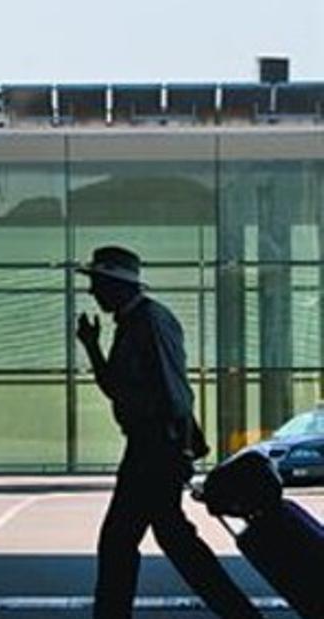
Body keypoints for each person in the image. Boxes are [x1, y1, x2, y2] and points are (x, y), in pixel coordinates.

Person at [75, 246, 260, 619]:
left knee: (121, 541)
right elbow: (118, 387)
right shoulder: (134, 323)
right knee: (171, 539)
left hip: (154, 448)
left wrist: (178, 448)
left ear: (117, 286)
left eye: (97, 283)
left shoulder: (150, 323)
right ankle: (239, 613)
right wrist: (93, 347)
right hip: (152, 447)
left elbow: (173, 390)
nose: (92, 292)